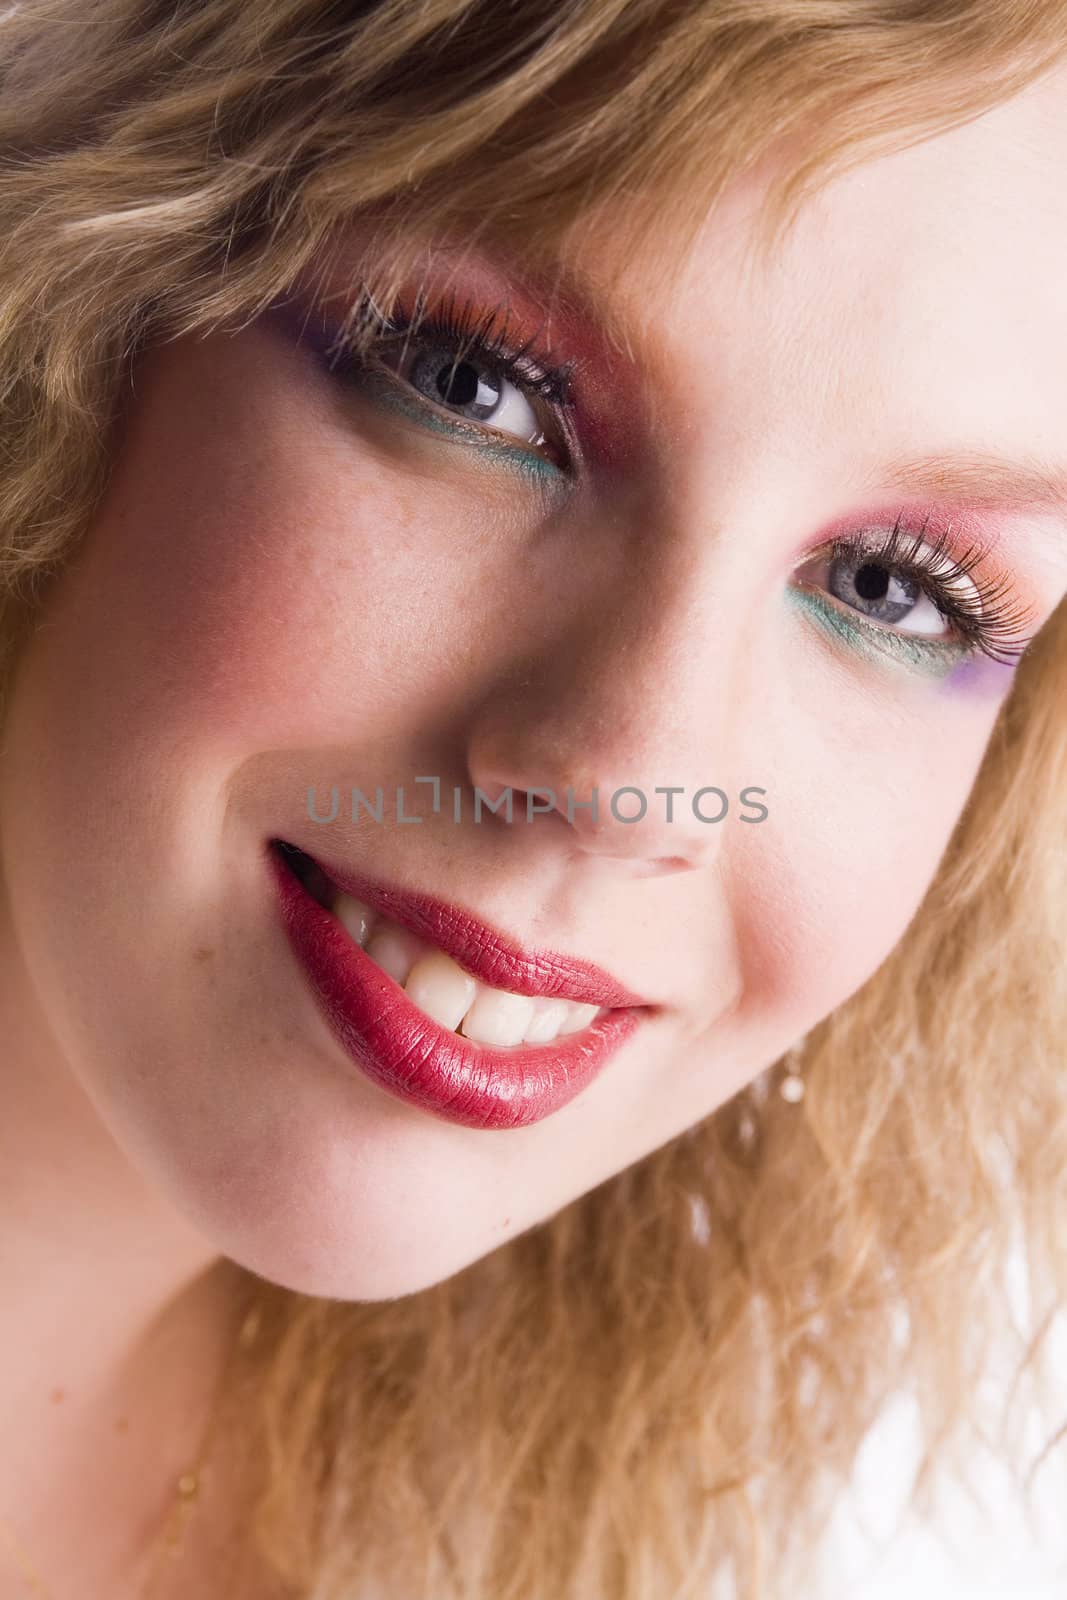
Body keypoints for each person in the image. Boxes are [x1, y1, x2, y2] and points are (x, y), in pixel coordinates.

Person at [1, 2, 1066, 1596]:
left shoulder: (495, 1537)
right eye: (473, 384)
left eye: (892, 589)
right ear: (85, 303)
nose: (632, 782)